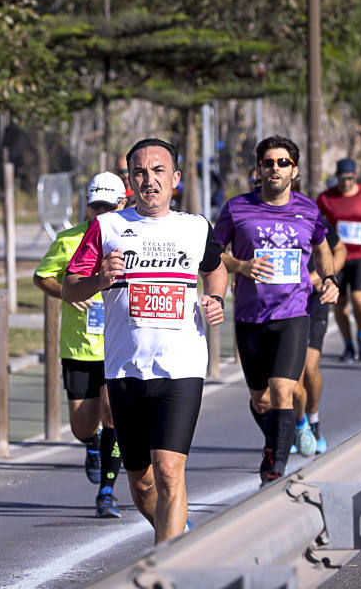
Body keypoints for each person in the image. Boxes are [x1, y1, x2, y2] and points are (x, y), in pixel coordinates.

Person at [63, 138, 228, 543]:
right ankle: (179, 540)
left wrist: (216, 298)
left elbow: (216, 269)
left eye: (158, 171)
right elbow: (69, 288)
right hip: (125, 368)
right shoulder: (107, 227)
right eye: (140, 172)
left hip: (183, 366)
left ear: (175, 178)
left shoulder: (195, 227)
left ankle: (167, 567)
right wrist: (99, 280)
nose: (149, 180)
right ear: (129, 180)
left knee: (170, 471)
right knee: (141, 484)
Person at [213, 136, 337, 483]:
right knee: (261, 399)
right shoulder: (237, 208)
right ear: (259, 168)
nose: (275, 168)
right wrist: (240, 265)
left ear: (293, 169)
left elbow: (323, 247)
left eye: (283, 162)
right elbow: (212, 253)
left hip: (293, 312)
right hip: (250, 316)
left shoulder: (307, 209)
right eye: (269, 162)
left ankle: (274, 470)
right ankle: (280, 439)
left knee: (283, 390)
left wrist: (330, 279)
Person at [32, 172, 125, 518]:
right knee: (82, 426)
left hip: (117, 345)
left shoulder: (130, 239)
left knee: (112, 414)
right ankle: (92, 445)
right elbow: (42, 277)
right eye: (95, 206)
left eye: (107, 207)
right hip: (78, 346)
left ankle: (106, 492)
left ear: (122, 204)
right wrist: (68, 295)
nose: (99, 214)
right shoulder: (69, 240)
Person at [318, 158, 361, 363]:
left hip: (360, 254)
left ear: (355, 176)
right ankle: (347, 344)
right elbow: (317, 224)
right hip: (336, 256)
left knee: (359, 299)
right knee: (340, 304)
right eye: (341, 179)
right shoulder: (326, 198)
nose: (346, 182)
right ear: (336, 177)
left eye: (350, 178)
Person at [292, 230, 346, 456]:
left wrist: (323, 276)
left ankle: (313, 421)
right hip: (285, 301)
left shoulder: (309, 215)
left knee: (310, 367)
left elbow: (340, 249)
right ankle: (299, 423)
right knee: (293, 379)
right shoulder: (264, 218)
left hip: (314, 301)